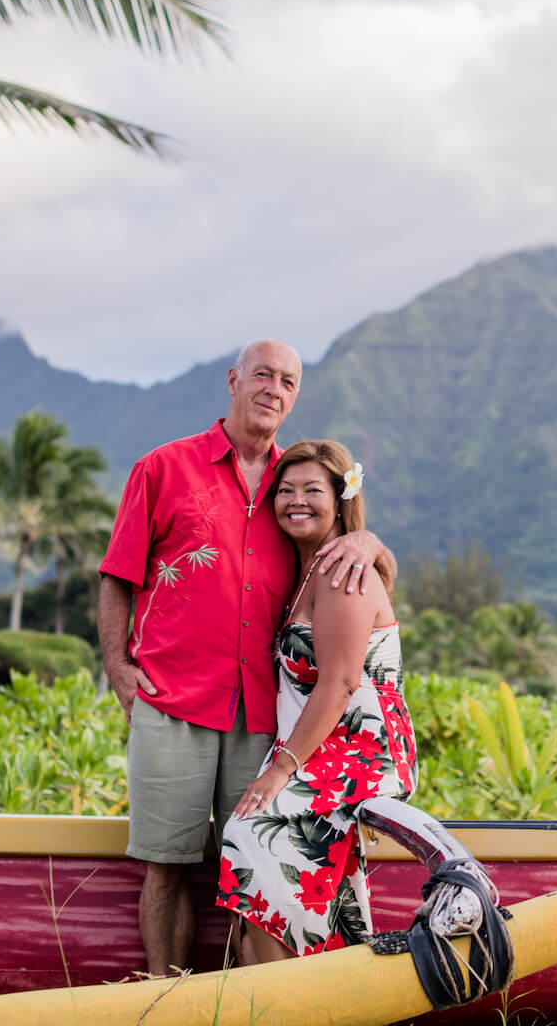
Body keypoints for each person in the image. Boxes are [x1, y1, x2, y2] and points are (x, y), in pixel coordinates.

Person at [97, 340, 384, 976]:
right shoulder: (163, 468)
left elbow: (352, 556)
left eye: (287, 381)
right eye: (262, 374)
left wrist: (369, 537)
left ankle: (240, 1003)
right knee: (166, 864)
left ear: (295, 396)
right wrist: (120, 670)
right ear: (233, 380)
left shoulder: (299, 486)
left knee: (252, 869)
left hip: (264, 715)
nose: (273, 388)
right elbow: (117, 575)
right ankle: (166, 1001)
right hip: (172, 700)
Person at [214, 439, 418, 962]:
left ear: (341, 497)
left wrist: (278, 770)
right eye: (284, 490)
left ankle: (278, 994)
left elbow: (341, 684)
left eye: (312, 490)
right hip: (322, 741)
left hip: (357, 747)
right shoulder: (307, 566)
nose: (295, 501)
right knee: (255, 848)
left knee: (253, 832)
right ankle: (279, 993)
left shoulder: (343, 570)